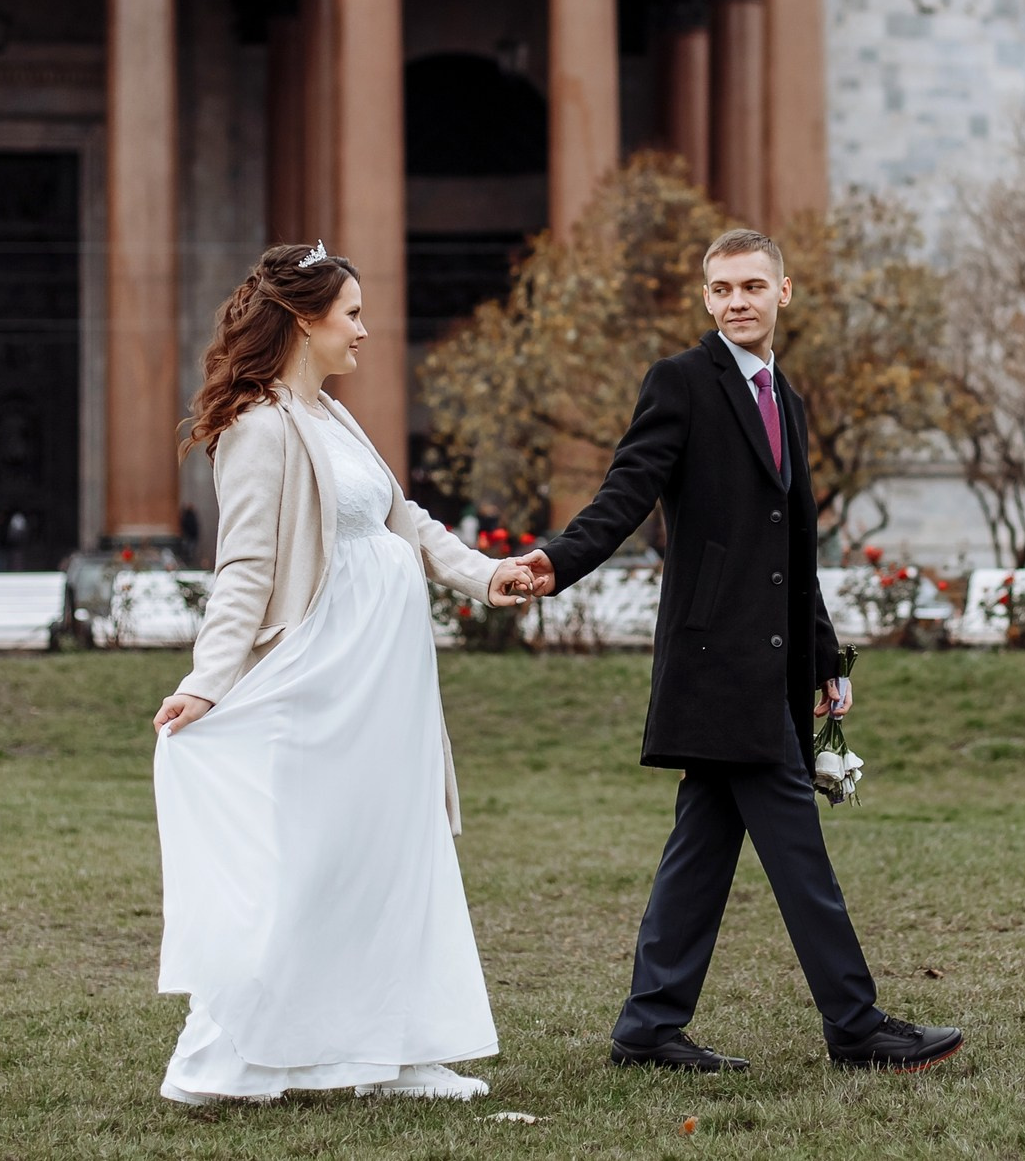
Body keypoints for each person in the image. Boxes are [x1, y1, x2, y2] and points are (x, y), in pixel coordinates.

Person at [512, 229, 963, 1073]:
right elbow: (626, 491)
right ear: (706, 298)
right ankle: (855, 1024)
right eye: (721, 288)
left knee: (703, 845)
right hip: (716, 665)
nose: (736, 301)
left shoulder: (787, 397)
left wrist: (824, 657)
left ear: (782, 292)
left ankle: (648, 1027)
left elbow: (791, 548)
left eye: (752, 285)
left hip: (772, 666)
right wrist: (558, 561)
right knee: (798, 848)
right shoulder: (680, 381)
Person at [151, 240, 538, 1104]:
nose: (365, 330)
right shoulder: (258, 427)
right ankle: (222, 1057)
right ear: (303, 319)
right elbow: (244, 567)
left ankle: (398, 1051)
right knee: (318, 856)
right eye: (352, 313)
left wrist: (485, 574)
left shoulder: (331, 415)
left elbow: (405, 520)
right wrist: (207, 680)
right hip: (325, 675)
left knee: (395, 843)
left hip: (387, 679)